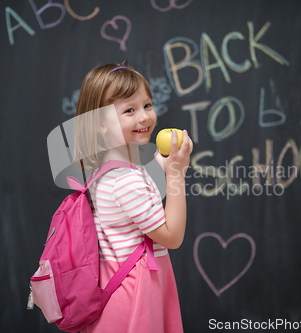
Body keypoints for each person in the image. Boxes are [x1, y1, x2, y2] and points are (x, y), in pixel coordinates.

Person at [73, 62, 193, 332]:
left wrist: (166, 163)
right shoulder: (126, 181)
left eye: (147, 105)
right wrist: (176, 175)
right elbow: (172, 237)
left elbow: (141, 191)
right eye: (129, 110)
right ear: (99, 125)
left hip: (118, 286)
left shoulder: (108, 172)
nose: (144, 117)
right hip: (136, 293)